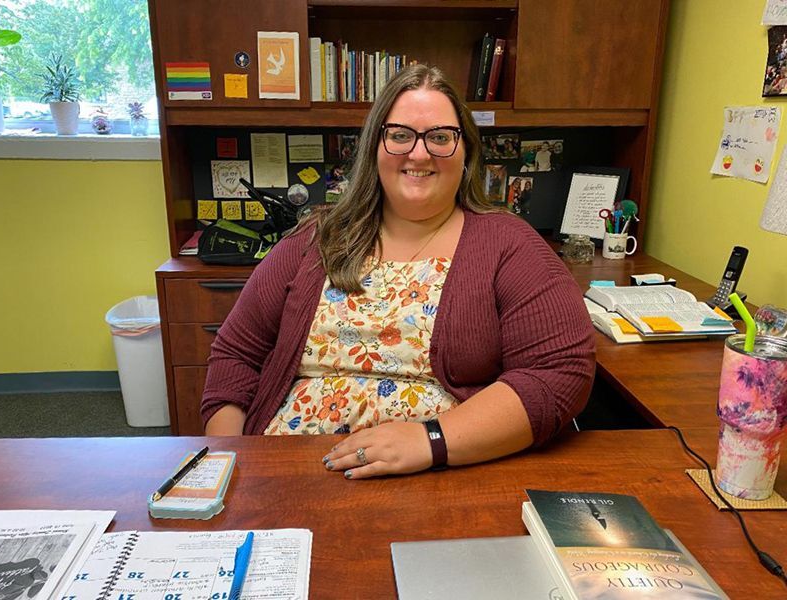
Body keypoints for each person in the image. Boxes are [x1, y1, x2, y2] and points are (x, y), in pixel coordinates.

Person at [202, 64, 595, 480]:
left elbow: (560, 372)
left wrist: (432, 440)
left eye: (440, 137)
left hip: (441, 474)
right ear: (376, 145)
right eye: (400, 135)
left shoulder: (509, 245)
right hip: (293, 469)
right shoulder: (316, 238)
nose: (419, 153)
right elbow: (236, 355)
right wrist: (229, 468)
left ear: (466, 152)